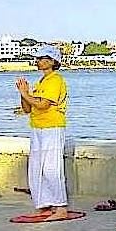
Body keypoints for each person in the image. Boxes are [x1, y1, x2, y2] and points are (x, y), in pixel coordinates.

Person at [15, 44, 70, 220]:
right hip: (37, 127)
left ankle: (60, 207)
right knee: (36, 167)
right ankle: (44, 204)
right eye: (37, 58)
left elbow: (43, 104)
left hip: (52, 127)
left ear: (53, 61)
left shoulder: (56, 80)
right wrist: (23, 94)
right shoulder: (41, 82)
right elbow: (27, 108)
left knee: (51, 167)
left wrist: (26, 94)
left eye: (42, 58)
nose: (38, 61)